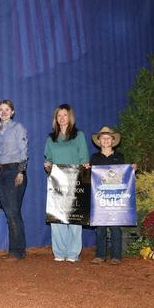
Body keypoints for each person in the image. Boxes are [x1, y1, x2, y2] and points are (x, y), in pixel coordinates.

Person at [43, 104, 89, 262]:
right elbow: (48, 159)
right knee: (57, 218)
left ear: (70, 117)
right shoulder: (51, 138)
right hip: (57, 182)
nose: (62, 118)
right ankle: (59, 252)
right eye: (59, 115)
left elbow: (84, 158)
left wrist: (85, 166)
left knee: (75, 217)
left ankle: (73, 253)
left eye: (65, 115)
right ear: (55, 118)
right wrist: (47, 165)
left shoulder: (79, 136)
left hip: (75, 181)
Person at [0, 99, 28, 261]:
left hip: (14, 171)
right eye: (1, 109)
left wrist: (21, 171)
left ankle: (17, 251)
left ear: (12, 112)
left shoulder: (18, 128)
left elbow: (24, 151)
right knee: (9, 213)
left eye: (7, 109)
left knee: (13, 212)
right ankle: (16, 249)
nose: (4, 112)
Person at [90, 126, 130, 265]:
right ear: (99, 141)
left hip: (115, 198)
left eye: (109, 138)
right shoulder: (94, 158)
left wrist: (131, 169)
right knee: (100, 228)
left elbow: (124, 174)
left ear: (113, 140)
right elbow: (91, 176)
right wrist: (87, 168)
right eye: (103, 138)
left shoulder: (120, 157)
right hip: (100, 198)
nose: (106, 140)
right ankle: (100, 255)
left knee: (115, 228)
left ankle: (116, 256)